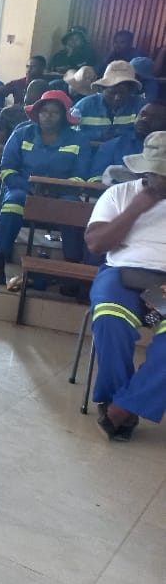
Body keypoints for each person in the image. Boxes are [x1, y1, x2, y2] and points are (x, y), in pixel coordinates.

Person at [85, 132, 166, 440]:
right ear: (145, 169)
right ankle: (122, 406)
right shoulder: (119, 194)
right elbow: (95, 244)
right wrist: (137, 208)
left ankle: (121, 408)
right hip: (121, 274)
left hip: (164, 284)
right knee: (110, 319)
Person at [0, 90, 92, 285]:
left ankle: (72, 270)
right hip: (24, 190)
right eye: (44, 111)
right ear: (37, 113)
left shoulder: (79, 140)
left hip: (63, 193)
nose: (48, 116)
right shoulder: (21, 133)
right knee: (13, 202)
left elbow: (81, 175)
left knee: (74, 208)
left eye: (54, 112)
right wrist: (29, 187)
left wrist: (58, 190)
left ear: (64, 116)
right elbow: (7, 168)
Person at [90, 101, 166, 183]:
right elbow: (96, 179)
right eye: (142, 114)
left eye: (154, 117)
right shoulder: (111, 146)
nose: (144, 119)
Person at [72, 60, 146, 142]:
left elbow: (146, 134)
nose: (117, 97)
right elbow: (68, 132)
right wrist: (99, 135)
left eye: (123, 93)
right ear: (102, 89)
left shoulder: (141, 106)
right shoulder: (84, 105)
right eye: (112, 93)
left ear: (130, 91)